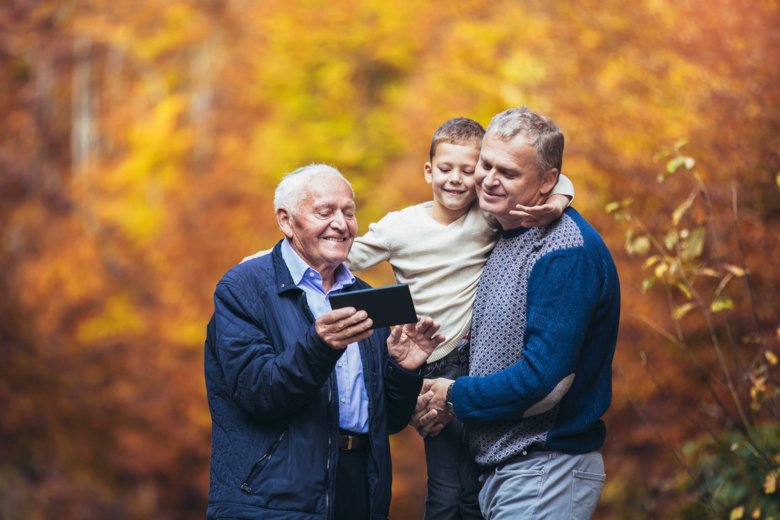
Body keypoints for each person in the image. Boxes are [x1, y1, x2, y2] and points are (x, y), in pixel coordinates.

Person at [345, 117, 575, 520]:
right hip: (429, 364)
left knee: (478, 481)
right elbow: (341, 259)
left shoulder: (485, 218)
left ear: (481, 173)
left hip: (478, 360)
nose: (456, 180)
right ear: (428, 171)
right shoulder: (400, 228)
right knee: (448, 486)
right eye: (446, 169)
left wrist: (559, 200)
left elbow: (549, 180)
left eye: (469, 171)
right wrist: (272, 259)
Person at [203, 164, 444, 519]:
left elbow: (387, 421)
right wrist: (320, 345)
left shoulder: (364, 296)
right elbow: (258, 393)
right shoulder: (243, 288)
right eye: (324, 211)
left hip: (357, 491)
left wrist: (403, 370)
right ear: (285, 220)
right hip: (271, 500)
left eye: (349, 212)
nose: (341, 223)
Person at [420, 106, 620, 520]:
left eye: (508, 173)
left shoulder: (563, 251)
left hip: (546, 469)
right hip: (503, 473)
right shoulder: (502, 231)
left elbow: (545, 382)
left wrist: (452, 395)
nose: (489, 180)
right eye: (485, 165)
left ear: (548, 181)